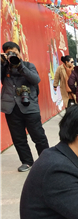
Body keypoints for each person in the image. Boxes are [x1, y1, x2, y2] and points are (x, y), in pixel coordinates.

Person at [1, 41, 49, 172]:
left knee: (38, 136)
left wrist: (20, 65)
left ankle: (46, 161)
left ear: (19, 52)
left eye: (14, 52)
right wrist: (2, 63)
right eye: (8, 53)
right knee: (18, 138)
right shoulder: (4, 68)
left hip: (29, 107)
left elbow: (35, 80)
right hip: (11, 107)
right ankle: (27, 161)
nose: (12, 55)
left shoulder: (28, 65)